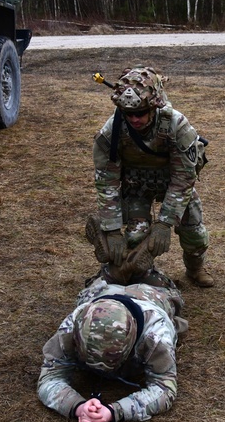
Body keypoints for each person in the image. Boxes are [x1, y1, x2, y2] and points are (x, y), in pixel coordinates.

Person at [92, 66, 214, 288]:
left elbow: (184, 178)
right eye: (129, 115)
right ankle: (137, 273)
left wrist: (165, 222)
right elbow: (106, 180)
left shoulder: (176, 126)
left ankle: (195, 270)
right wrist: (111, 229)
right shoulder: (113, 130)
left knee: (194, 234)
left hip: (173, 184)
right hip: (136, 185)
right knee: (134, 237)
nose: (135, 120)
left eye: (140, 114)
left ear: (154, 107)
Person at [37, 270, 186, 422]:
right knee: (106, 275)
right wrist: (78, 407)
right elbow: (49, 377)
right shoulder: (73, 327)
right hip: (101, 292)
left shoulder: (156, 336)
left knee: (166, 290)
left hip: (153, 296)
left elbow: (164, 388)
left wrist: (114, 411)